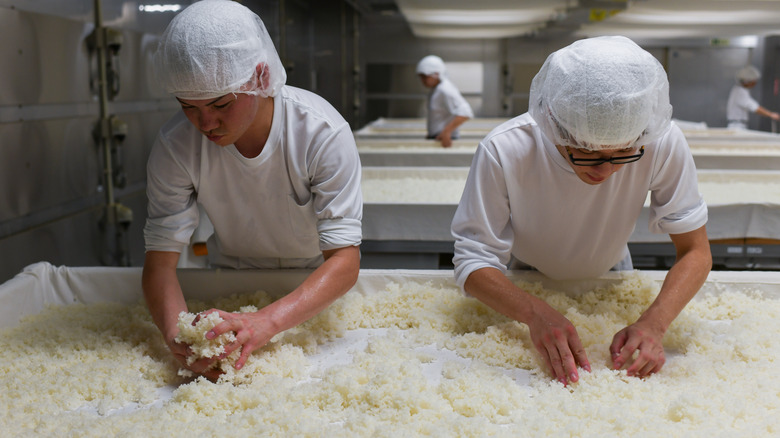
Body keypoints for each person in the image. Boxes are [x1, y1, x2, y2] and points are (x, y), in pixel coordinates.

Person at [451, 36, 712, 387]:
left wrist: (655, 322)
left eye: (623, 153)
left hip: (612, 274)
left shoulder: (660, 141)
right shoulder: (506, 149)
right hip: (525, 276)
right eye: (584, 151)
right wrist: (532, 312)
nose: (604, 170)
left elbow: (696, 251)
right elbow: (472, 260)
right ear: (550, 122)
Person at [142, 0, 362, 380]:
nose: (205, 123)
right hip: (231, 283)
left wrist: (266, 322)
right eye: (188, 107)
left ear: (259, 78)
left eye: (220, 104)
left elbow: (344, 261)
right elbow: (159, 263)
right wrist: (176, 333)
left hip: (311, 295)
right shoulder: (175, 146)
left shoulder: (320, 133)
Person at [416, 55, 474, 147]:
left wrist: (447, 132)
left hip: (445, 140)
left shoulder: (445, 89)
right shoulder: (435, 90)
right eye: (421, 77)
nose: (422, 80)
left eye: (425, 77)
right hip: (437, 138)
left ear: (436, 74)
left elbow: (466, 112)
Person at [726, 65, 780, 129]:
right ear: (748, 81)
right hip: (737, 127)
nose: (755, 83)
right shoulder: (740, 91)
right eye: (754, 81)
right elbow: (754, 107)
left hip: (738, 125)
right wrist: (771, 114)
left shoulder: (738, 90)